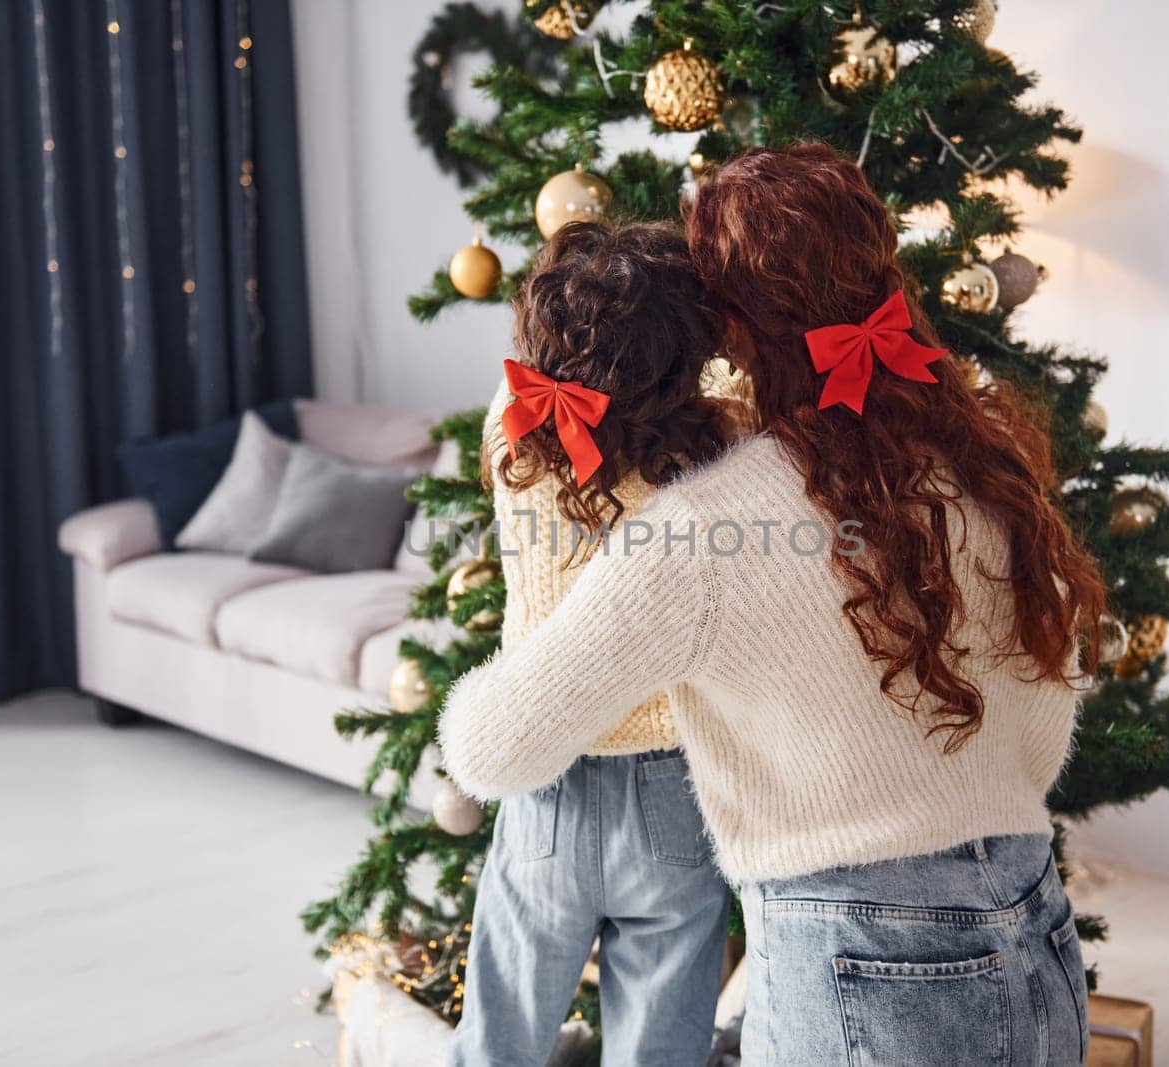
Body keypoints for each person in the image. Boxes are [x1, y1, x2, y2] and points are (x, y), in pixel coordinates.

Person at [439, 145, 1107, 1066]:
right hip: (1036, 926)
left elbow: (491, 748)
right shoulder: (981, 450)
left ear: (736, 331)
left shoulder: (703, 526)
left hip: (859, 957)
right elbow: (1046, 704)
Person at [447, 222, 740, 1067]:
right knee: (661, 1043)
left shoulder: (514, 426)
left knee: (497, 1031)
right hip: (671, 786)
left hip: (545, 764)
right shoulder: (715, 452)